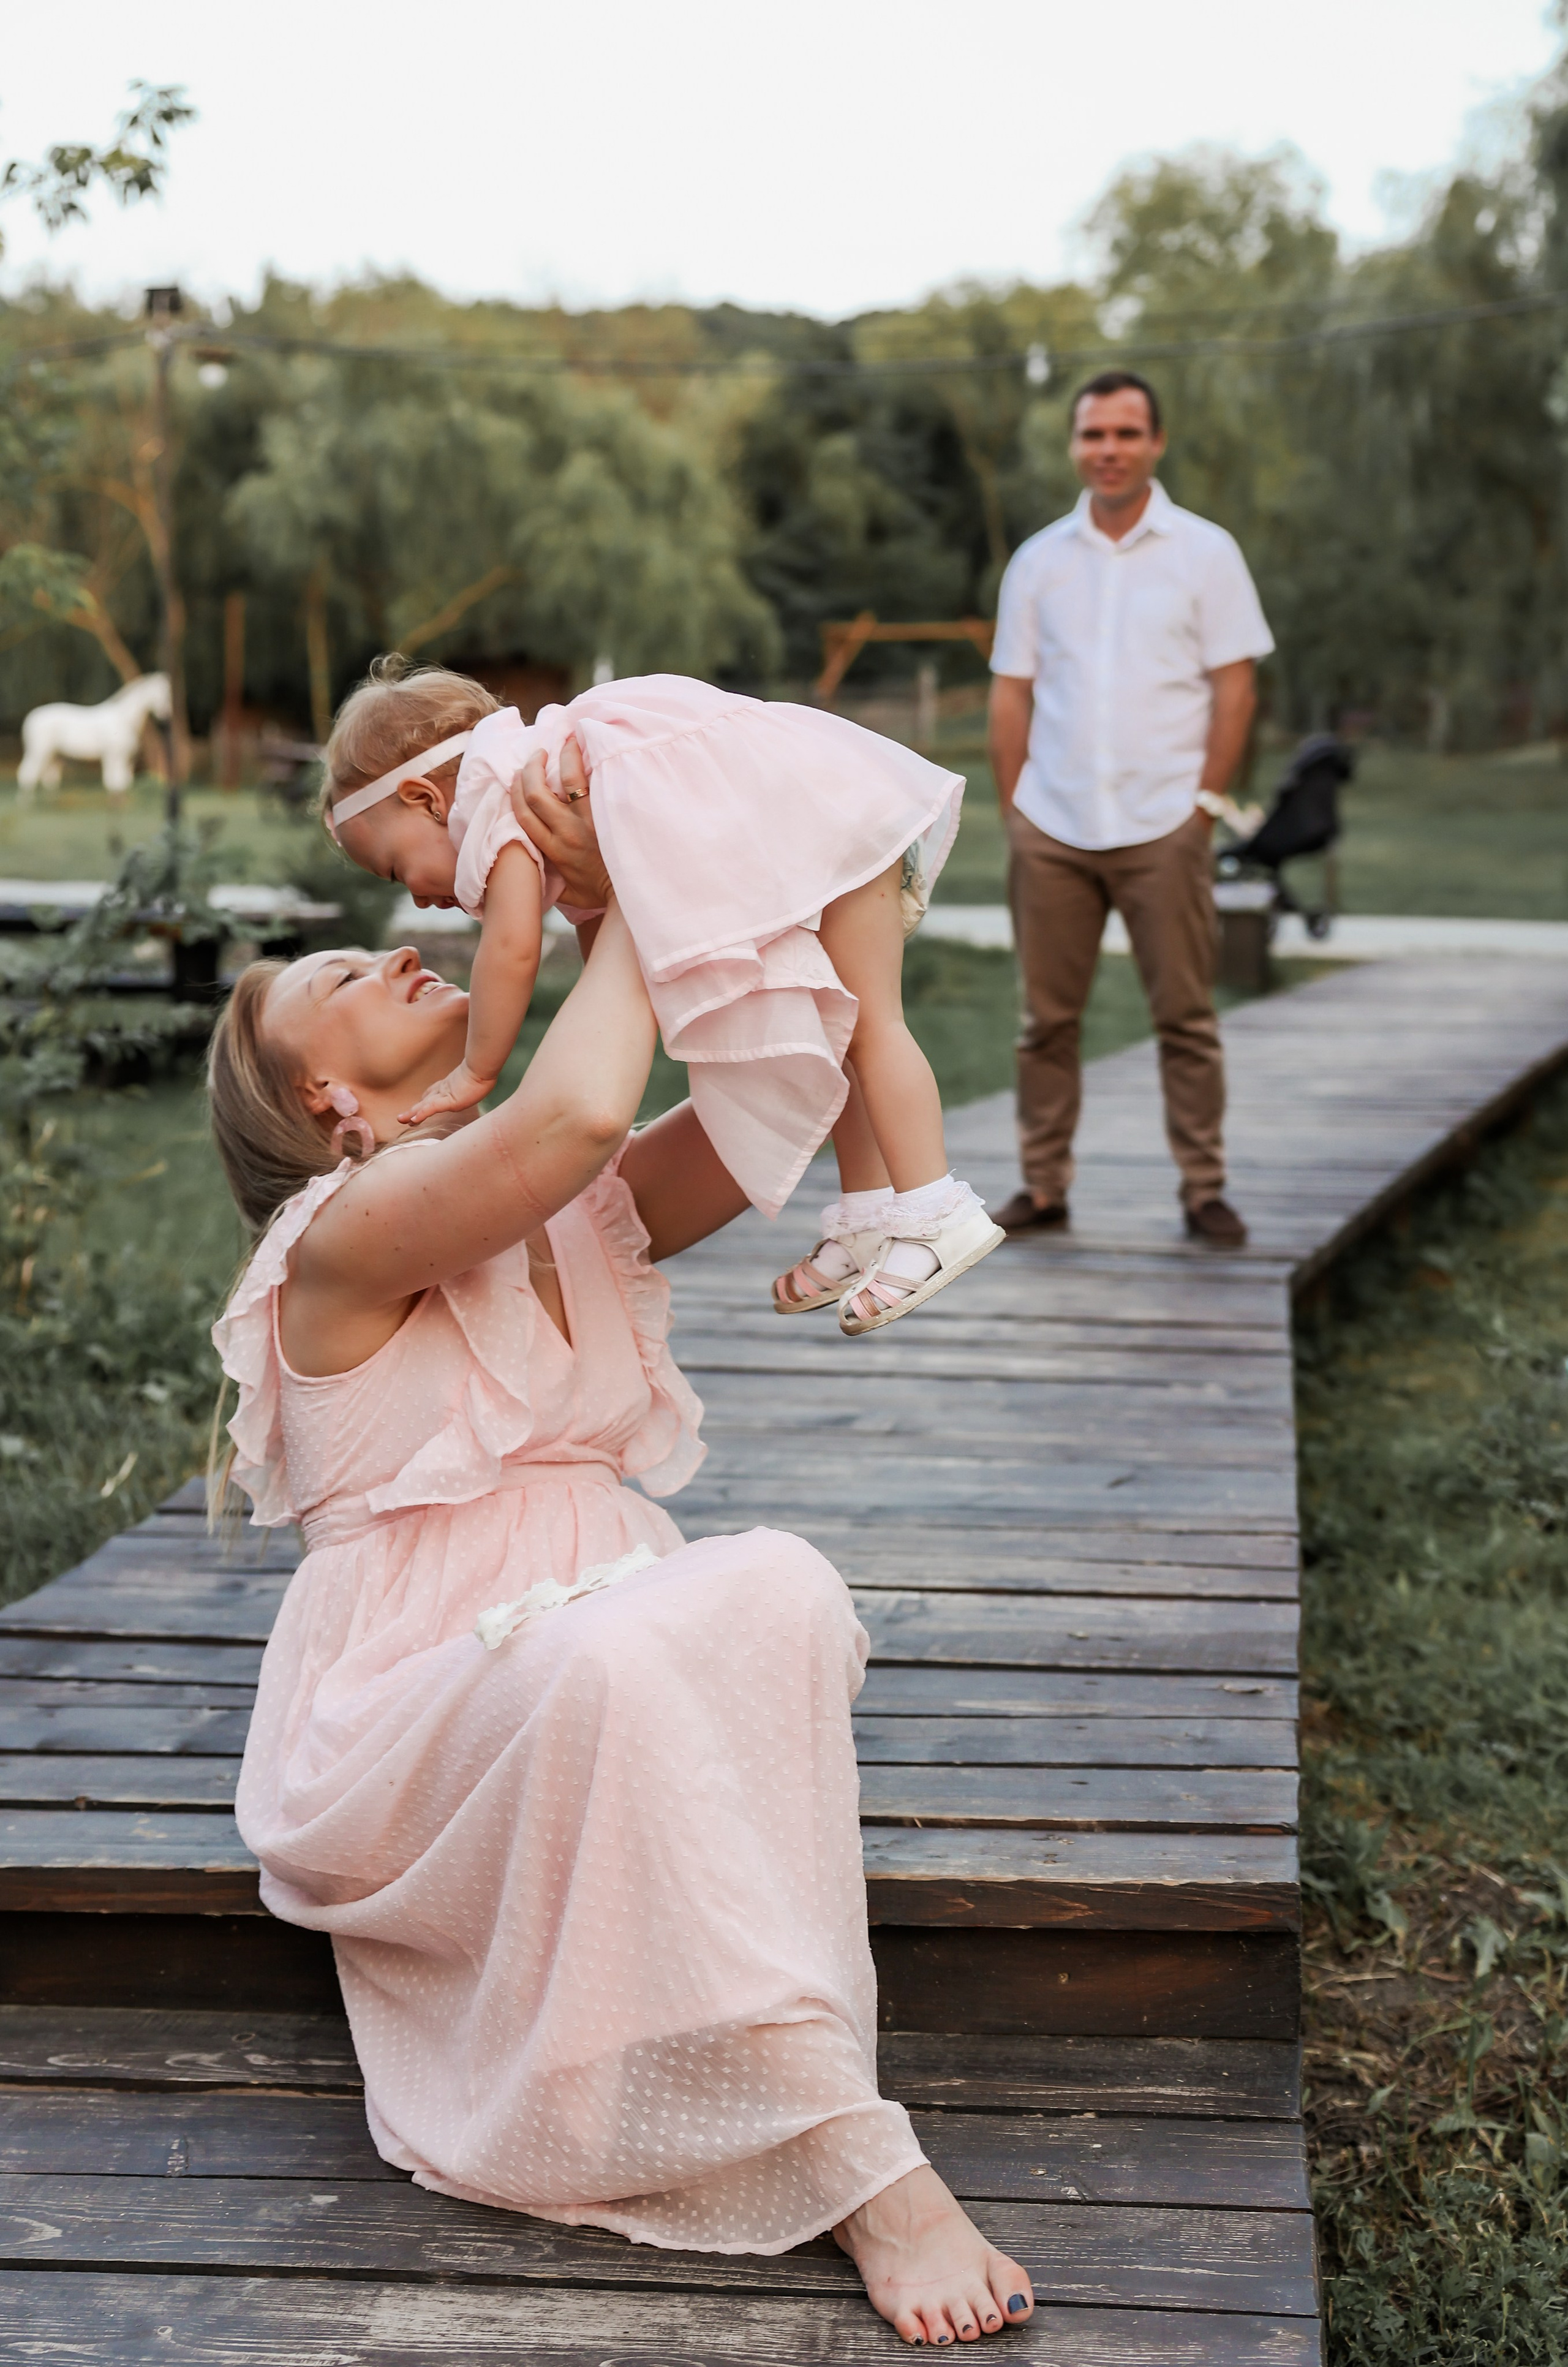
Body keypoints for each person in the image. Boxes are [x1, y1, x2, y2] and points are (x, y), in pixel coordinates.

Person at [205, 776, 1035, 2349]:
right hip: (416, 1693)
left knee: (778, 1579)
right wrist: (642, 862)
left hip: (603, 1617)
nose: (394, 954)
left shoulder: (571, 1209)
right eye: (338, 981)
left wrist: (773, 860)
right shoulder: (343, 1233)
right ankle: (870, 2170)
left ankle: (775, 2075)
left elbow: (766, 1106)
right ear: (321, 1098)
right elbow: (578, 1106)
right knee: (617, 1655)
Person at [322, 659, 1003, 1333]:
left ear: (426, 799)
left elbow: (511, 950)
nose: (414, 896)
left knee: (873, 1026)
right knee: (846, 1026)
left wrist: (478, 1068)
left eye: (393, 867)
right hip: (801, 801)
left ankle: (937, 1209)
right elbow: (604, 948)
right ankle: (866, 1214)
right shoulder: (535, 789)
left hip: (809, 817)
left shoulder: (498, 802)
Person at [987, 369, 1275, 1247]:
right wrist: (1018, 814)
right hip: (1056, 827)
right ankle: (1043, 1186)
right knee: (1046, 1025)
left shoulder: (1206, 553)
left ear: (1155, 443)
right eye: (1093, 435)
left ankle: (1203, 1187)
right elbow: (1011, 695)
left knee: (1186, 1020)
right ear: (1075, 445)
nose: (1108, 450)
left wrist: (1204, 805)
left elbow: (1236, 690)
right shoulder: (1039, 561)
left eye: (1125, 433)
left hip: (1164, 827)